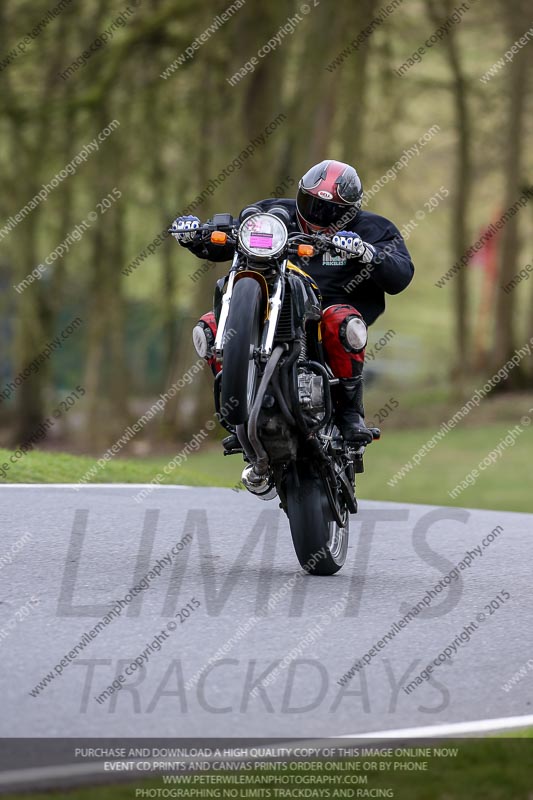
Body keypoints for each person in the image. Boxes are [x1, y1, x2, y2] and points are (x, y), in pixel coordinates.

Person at [171, 159, 414, 444]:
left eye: (331, 210)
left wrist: (367, 252)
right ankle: (237, 406)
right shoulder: (272, 213)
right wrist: (195, 236)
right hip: (273, 305)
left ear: (350, 212)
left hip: (326, 312)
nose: (319, 215)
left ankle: (350, 413)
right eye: (312, 204)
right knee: (209, 328)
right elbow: (234, 236)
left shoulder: (373, 228)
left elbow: (400, 274)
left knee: (341, 320)